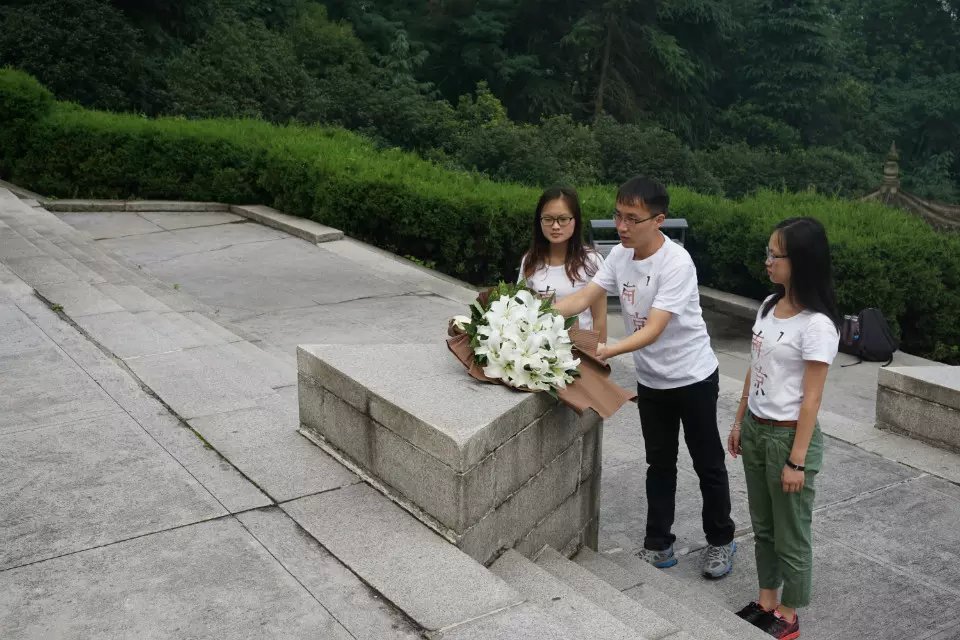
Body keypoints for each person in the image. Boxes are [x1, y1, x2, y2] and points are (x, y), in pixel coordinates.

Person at [553, 176, 736, 578]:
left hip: (693, 377)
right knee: (659, 463)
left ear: (658, 220)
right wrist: (538, 312)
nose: (622, 226)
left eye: (632, 219)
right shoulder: (620, 256)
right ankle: (658, 544)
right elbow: (584, 297)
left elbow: (654, 328)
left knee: (707, 463)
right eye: (618, 216)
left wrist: (608, 350)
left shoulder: (677, 262)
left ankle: (721, 540)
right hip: (652, 381)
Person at [727, 217, 840, 640]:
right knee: (763, 526)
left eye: (776, 254)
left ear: (802, 261)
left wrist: (797, 461)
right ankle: (766, 601)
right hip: (757, 428)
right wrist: (739, 420)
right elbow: (755, 367)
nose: (768, 261)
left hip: (788, 437)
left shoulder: (817, 325)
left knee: (791, 533)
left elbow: (812, 399)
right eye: (768, 252)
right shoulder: (768, 306)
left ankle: (789, 614)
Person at [518, 185, 606, 341]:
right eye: (548, 219)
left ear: (575, 220)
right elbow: (521, 309)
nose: (555, 226)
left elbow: (599, 318)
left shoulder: (591, 261)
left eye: (563, 219)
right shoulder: (530, 260)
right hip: (538, 349)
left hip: (579, 350)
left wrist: (599, 351)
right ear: (539, 221)